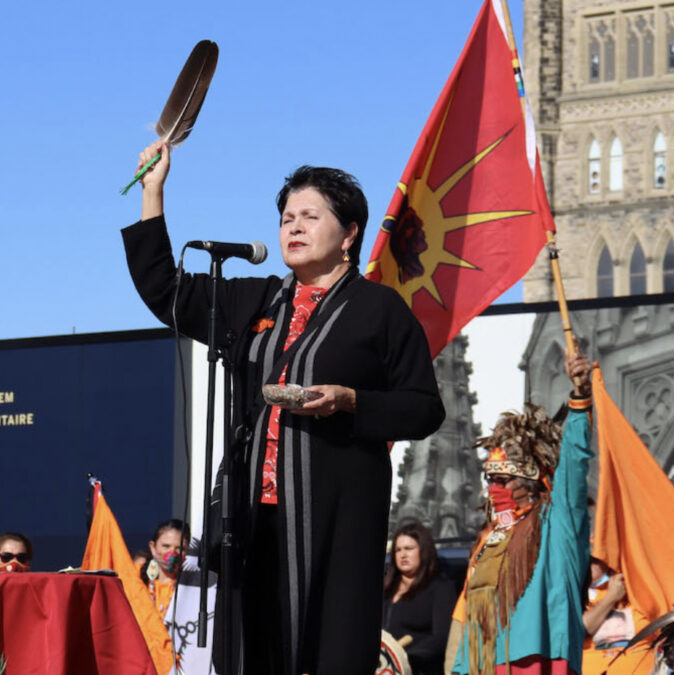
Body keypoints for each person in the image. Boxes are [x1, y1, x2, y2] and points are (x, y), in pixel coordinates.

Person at [123, 141, 445, 675]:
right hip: (252, 519)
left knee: (329, 649)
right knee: (253, 649)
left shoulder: (379, 310)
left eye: (309, 216)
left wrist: (351, 402)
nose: (293, 227)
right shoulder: (256, 299)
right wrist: (153, 193)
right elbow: (165, 291)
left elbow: (423, 409)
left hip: (337, 517)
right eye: (286, 218)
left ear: (349, 234)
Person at [451, 351, 593, 674]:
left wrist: (580, 400)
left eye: (505, 480)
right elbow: (471, 623)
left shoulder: (557, 525)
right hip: (483, 665)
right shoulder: (487, 543)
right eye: (491, 480)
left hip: (542, 660)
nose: (495, 489)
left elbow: (573, 464)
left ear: (533, 480)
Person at [382, 521, 456, 675]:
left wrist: (404, 657)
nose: (403, 555)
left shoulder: (440, 587)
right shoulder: (385, 589)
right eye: (398, 550)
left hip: (418, 669)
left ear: (423, 551)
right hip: (382, 668)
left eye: (409, 549)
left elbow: (442, 637)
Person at [140, 519, 186, 619]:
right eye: (166, 546)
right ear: (153, 547)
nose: (172, 553)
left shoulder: (192, 587)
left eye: (180, 548)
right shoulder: (136, 579)